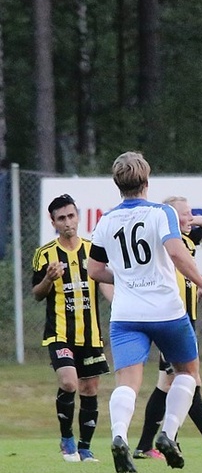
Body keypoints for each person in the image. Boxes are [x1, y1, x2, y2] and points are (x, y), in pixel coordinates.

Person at [87, 151, 202, 473]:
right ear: (146, 180)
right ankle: (168, 435)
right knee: (188, 373)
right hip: (166, 312)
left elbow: (95, 269)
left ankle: (119, 437)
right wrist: (201, 283)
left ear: (118, 183)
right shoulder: (162, 213)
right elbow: (176, 252)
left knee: (127, 383)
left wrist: (127, 278)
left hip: (126, 315)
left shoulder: (106, 220)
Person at [132, 196, 202, 460]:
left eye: (191, 213)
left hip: (184, 322)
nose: (190, 217)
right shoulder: (165, 241)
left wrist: (189, 217)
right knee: (190, 381)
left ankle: (145, 446)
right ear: (171, 218)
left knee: (166, 385)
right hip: (170, 321)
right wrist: (172, 216)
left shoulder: (189, 238)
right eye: (186, 214)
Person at [31, 194, 114, 463]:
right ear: (53, 221)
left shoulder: (93, 250)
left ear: (78, 216)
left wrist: (119, 303)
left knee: (90, 389)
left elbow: (104, 281)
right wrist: (48, 278)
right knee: (68, 382)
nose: (67, 222)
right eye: (61, 218)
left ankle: (85, 448)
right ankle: (67, 439)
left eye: (71, 216)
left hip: (90, 334)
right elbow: (36, 293)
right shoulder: (45, 254)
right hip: (59, 333)